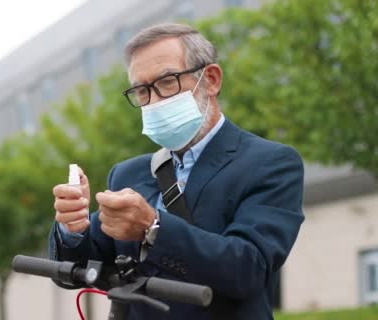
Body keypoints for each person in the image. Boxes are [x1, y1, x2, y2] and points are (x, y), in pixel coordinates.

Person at [48, 23, 304, 320]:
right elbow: (81, 269)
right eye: (141, 91)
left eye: (167, 81)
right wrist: (73, 228)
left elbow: (249, 269)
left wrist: (153, 228)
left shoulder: (270, 163)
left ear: (210, 79)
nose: (154, 101)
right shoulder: (127, 175)